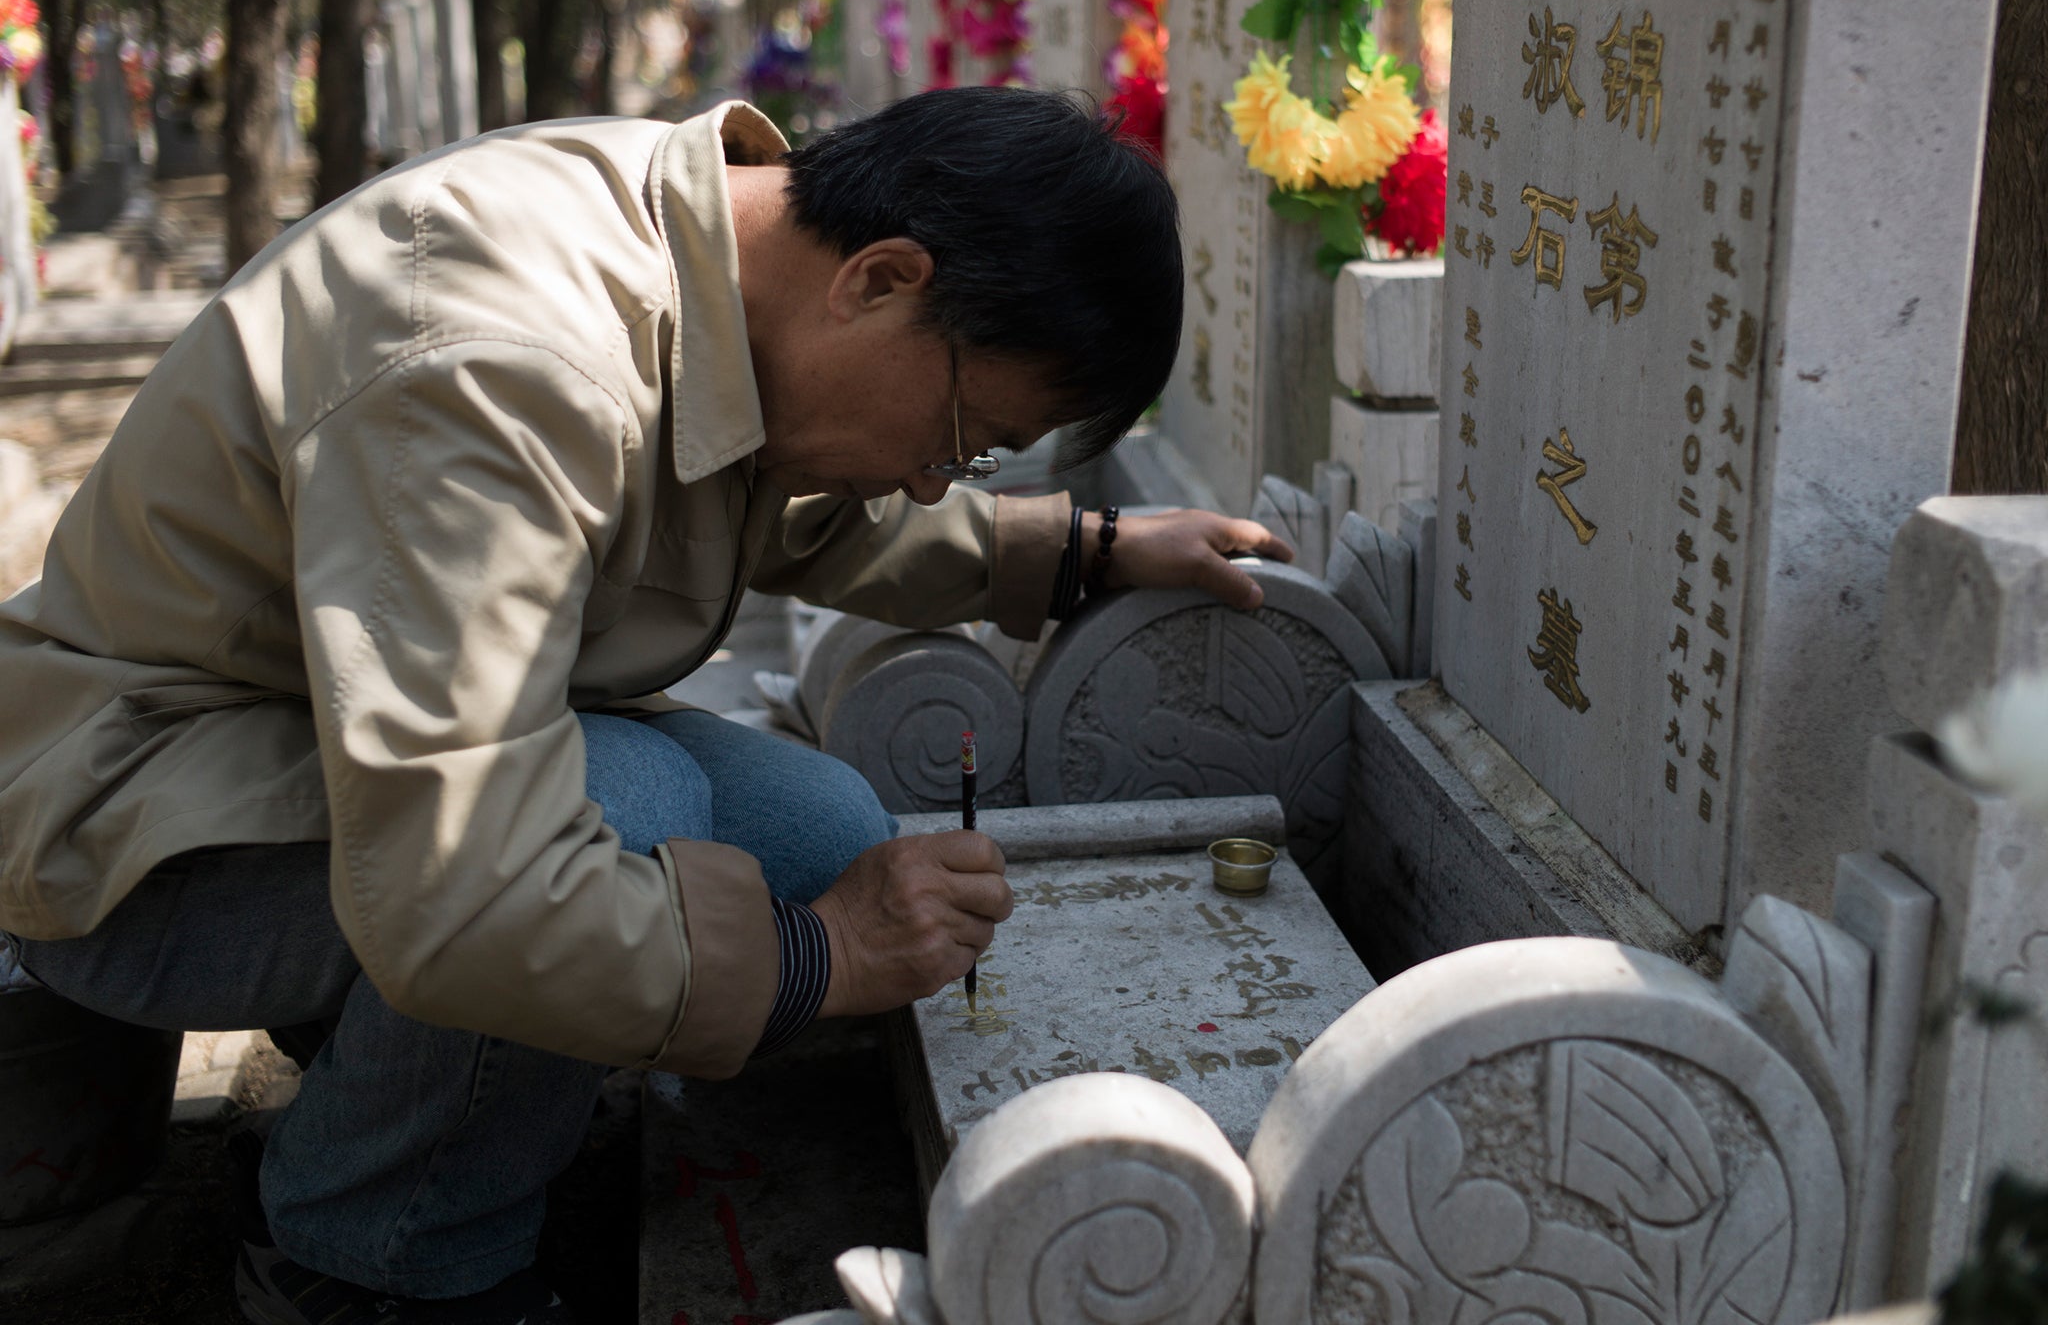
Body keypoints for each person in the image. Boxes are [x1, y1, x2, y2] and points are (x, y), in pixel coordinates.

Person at [0, 88, 1289, 1324]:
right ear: (883, 279)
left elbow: (769, 497)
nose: (926, 478)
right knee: (634, 823)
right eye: (961, 437)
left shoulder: (722, 247)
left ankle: (386, 1068)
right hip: (130, 820)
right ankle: (374, 1254)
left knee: (821, 835)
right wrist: (819, 957)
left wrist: (1077, 549)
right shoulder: (503, 363)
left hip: (307, 761)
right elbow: (468, 886)